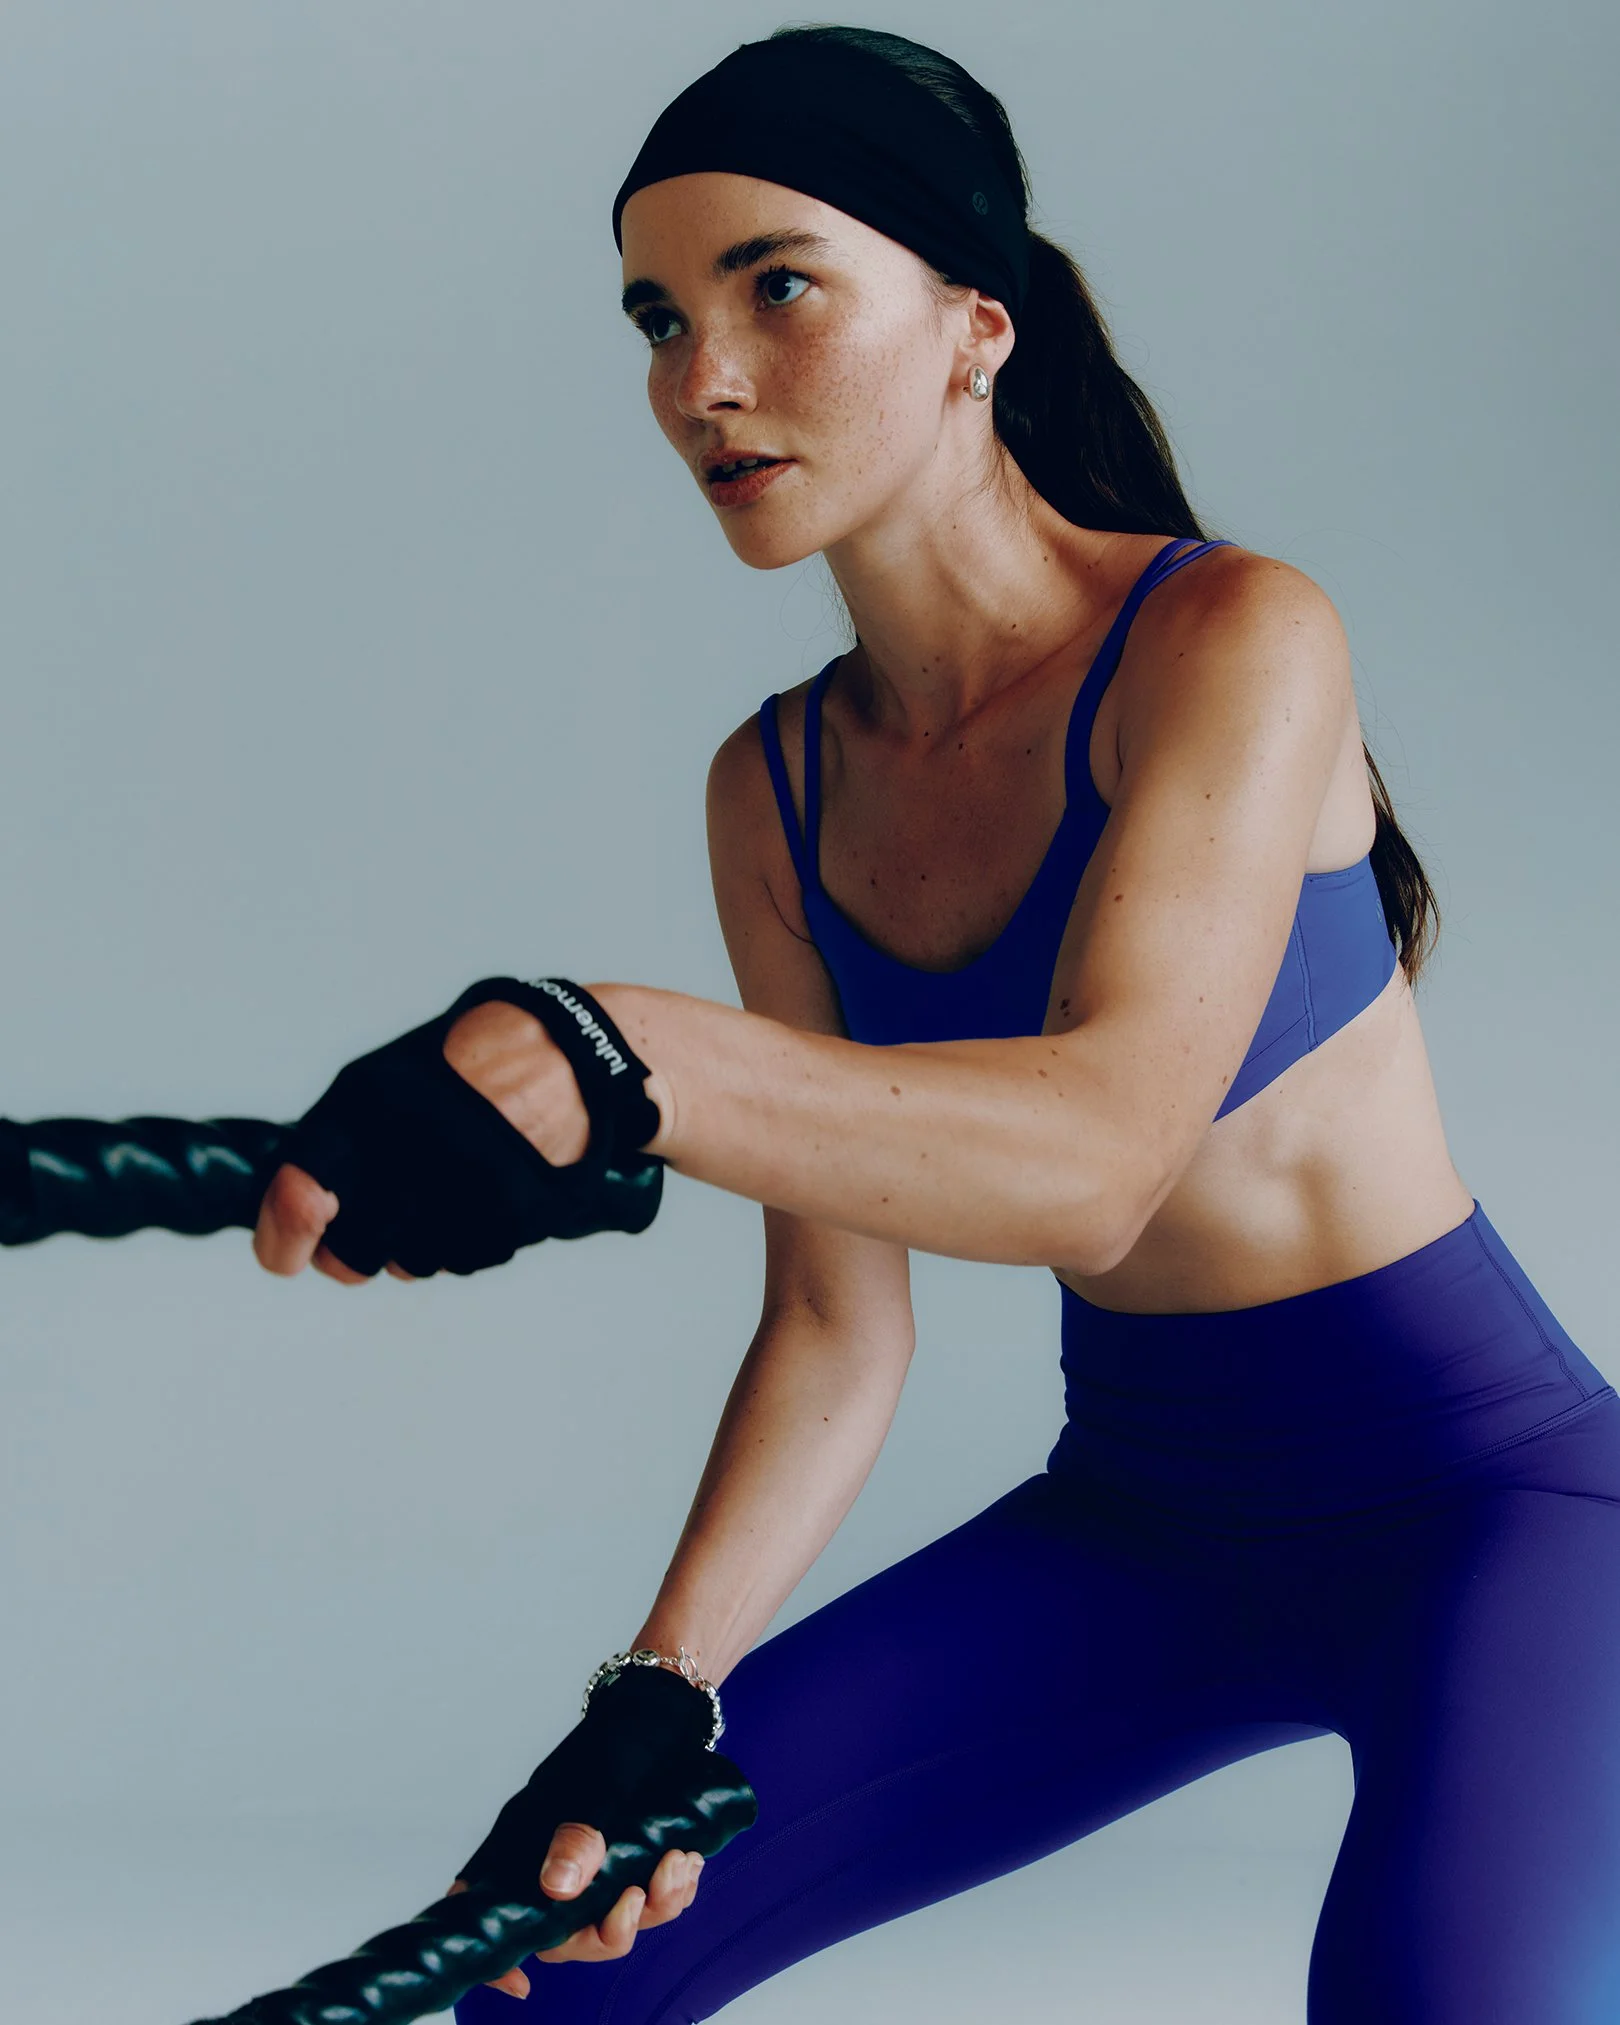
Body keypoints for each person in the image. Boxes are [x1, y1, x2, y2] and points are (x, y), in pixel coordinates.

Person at [252, 26, 1620, 2023]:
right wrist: (657, 1693)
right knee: (553, 1977)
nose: (700, 380)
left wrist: (618, 1056)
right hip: (1142, 1521)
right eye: (658, 318)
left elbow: (1095, 1160)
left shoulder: (1233, 636)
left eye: (776, 287)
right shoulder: (776, 789)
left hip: (1490, 1512)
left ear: (976, 325)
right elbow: (836, 1316)